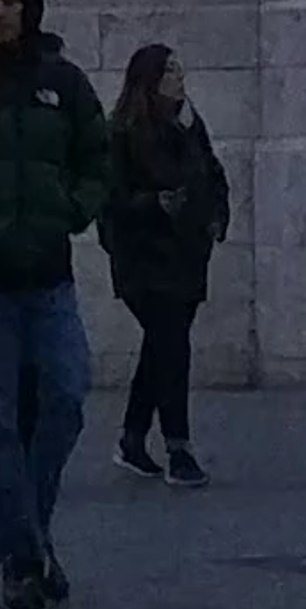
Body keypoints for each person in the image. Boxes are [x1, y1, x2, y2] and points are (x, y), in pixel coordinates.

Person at [0, 0, 108, 607]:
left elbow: (98, 154)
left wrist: (72, 209)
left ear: (31, 6)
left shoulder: (63, 80)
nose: (0, 11)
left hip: (50, 274)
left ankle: (33, 530)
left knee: (67, 394)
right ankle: (20, 558)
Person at [99, 42, 229, 488]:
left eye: (180, 68)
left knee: (162, 346)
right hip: (143, 258)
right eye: (171, 70)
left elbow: (212, 173)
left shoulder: (190, 125)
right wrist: (156, 203)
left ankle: (133, 439)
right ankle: (179, 447)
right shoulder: (123, 131)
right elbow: (112, 199)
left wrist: (217, 216)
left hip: (188, 253)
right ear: (150, 79)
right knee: (172, 345)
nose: (180, 77)